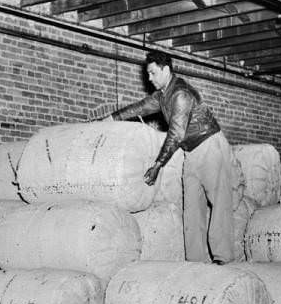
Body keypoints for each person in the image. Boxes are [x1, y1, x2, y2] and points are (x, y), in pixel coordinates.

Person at [103, 50, 242, 264]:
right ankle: (196, 261)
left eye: (152, 73)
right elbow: (141, 107)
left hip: (210, 146)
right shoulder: (162, 95)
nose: (149, 78)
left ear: (166, 70)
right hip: (191, 151)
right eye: (148, 74)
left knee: (219, 202)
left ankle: (223, 258)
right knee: (192, 207)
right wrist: (113, 117)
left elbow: (176, 134)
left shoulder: (180, 94)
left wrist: (158, 165)